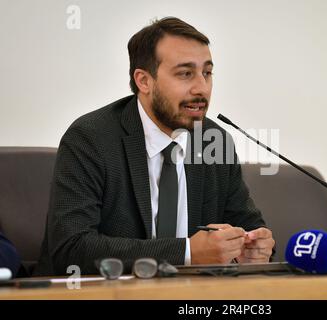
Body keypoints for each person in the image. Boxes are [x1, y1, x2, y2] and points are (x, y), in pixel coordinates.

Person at [34, 17, 275, 276]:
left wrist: (255, 249)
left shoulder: (212, 141)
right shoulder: (90, 138)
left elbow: (249, 228)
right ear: (144, 81)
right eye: (185, 73)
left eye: (207, 72)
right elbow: (71, 249)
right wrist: (187, 253)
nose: (202, 88)